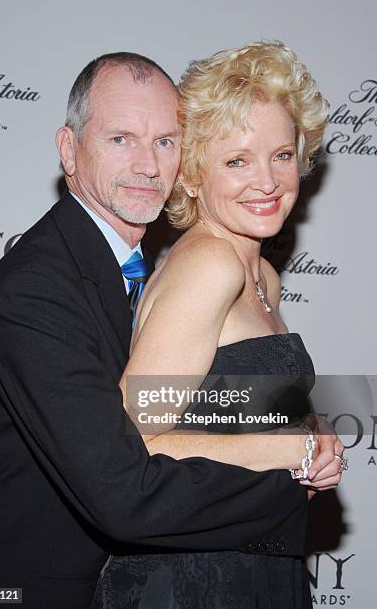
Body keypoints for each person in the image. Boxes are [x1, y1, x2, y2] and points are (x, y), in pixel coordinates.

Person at [0, 52, 341, 609]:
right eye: (120, 139)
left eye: (164, 141)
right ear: (68, 148)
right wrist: (292, 469)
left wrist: (297, 420)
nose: (148, 163)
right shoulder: (37, 284)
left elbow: (208, 408)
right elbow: (125, 480)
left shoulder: (192, 268)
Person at [93, 42, 346, 608]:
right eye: (236, 160)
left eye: (282, 154)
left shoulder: (258, 273)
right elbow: (135, 444)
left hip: (251, 557)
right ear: (190, 176)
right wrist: (291, 450)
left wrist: (308, 425)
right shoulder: (208, 264)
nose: (267, 180)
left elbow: (225, 407)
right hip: (190, 579)